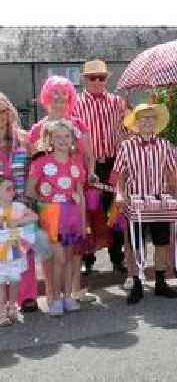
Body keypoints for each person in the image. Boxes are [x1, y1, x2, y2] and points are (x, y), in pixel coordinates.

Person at [113, 103, 177, 303]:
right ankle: (137, 284)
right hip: (136, 203)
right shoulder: (126, 146)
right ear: (136, 122)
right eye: (143, 118)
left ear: (156, 123)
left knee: (162, 243)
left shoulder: (164, 145)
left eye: (151, 118)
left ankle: (160, 283)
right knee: (136, 245)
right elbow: (121, 176)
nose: (147, 121)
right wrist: (119, 194)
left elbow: (171, 174)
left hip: (159, 201)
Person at [73, 60, 129, 276]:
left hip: (114, 164)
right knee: (90, 212)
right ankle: (89, 260)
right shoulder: (75, 105)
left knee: (115, 211)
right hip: (89, 167)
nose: (97, 82)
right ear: (84, 80)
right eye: (92, 77)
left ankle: (118, 258)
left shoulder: (118, 103)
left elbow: (128, 131)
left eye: (101, 77)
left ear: (108, 79)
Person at [27, 120, 87, 316]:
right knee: (58, 258)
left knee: (69, 257)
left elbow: (80, 194)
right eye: (58, 136)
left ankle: (68, 296)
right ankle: (54, 298)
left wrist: (83, 222)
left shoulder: (76, 164)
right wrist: (45, 204)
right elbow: (30, 190)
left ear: (72, 139)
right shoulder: (41, 162)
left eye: (66, 136)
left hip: (72, 217)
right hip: (51, 216)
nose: (63, 140)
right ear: (50, 139)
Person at [0, 93, 37, 314]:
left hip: (22, 205)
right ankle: (4, 302)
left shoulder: (23, 139)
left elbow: (35, 169)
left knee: (24, 252)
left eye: (3, 110)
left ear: (10, 111)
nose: (1, 116)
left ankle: (27, 296)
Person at [0, 176, 41, 326]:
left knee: (16, 281)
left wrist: (17, 222)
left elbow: (35, 216)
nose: (13, 191)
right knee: (1, 283)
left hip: (15, 252)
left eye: (13, 188)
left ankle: (12, 307)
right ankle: (2, 313)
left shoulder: (18, 207)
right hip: (1, 254)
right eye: (8, 189)